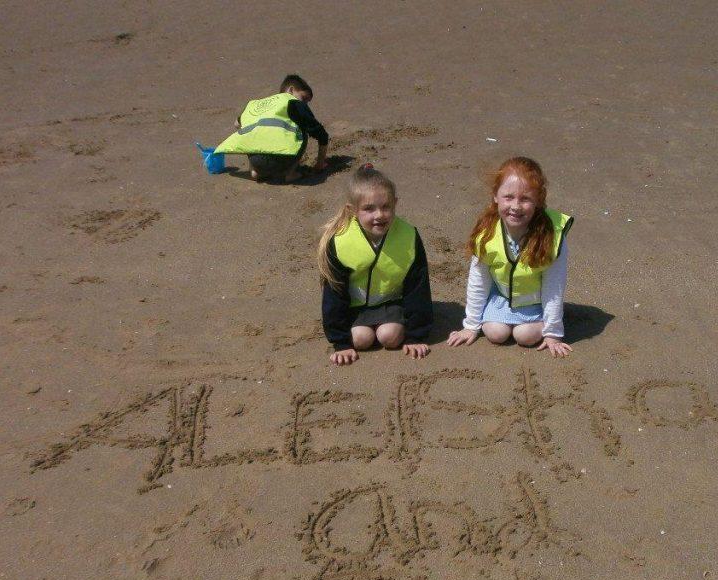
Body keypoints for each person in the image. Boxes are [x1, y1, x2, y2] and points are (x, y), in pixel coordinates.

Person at [446, 157, 574, 358]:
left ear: (539, 200)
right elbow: (479, 281)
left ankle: (542, 323)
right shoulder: (486, 233)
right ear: (495, 196)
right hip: (502, 297)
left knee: (525, 336)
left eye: (525, 199)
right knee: (495, 333)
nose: (516, 206)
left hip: (535, 302)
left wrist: (553, 333)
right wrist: (470, 325)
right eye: (508, 197)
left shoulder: (552, 236)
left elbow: (554, 287)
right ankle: (500, 320)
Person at [318, 165, 433, 366]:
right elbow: (334, 294)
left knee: (390, 336)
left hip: (391, 304)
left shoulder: (409, 236)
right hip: (355, 307)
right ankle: (359, 332)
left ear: (395, 203)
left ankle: (392, 327)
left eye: (386, 207)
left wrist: (416, 335)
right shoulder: (340, 241)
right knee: (361, 339)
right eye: (369, 209)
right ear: (352, 210)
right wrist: (340, 342)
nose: (379, 215)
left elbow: (418, 287)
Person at [214, 74, 329, 183]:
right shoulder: (294, 103)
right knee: (302, 127)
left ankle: (255, 172)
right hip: (282, 159)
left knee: (252, 131)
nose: (305, 104)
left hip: (256, 160)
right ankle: (291, 173)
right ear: (291, 90)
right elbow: (321, 135)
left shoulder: (257, 104)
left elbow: (236, 124)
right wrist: (319, 164)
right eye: (304, 98)